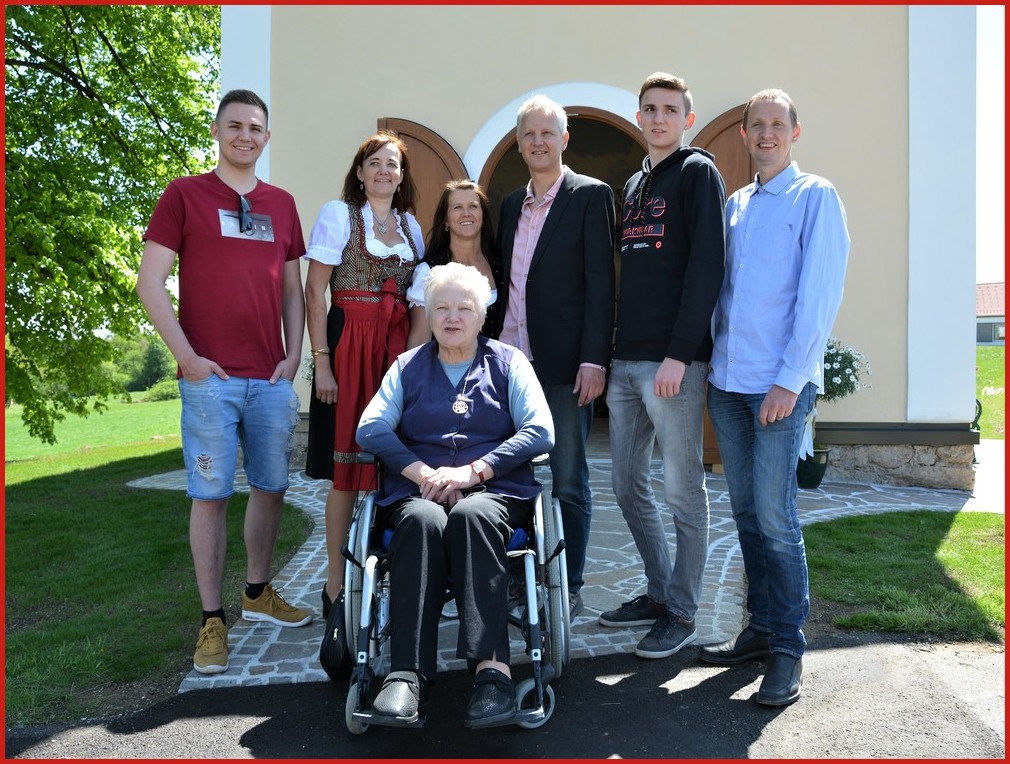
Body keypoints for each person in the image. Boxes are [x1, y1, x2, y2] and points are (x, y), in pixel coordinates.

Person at [137, 89, 312, 676]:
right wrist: (186, 358)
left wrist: (294, 355)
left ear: (267, 137)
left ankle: (257, 593)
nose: (245, 135)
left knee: (271, 485)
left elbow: (292, 291)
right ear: (216, 131)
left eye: (255, 128)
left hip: (269, 377)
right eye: (234, 125)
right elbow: (150, 283)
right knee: (210, 496)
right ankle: (212, 620)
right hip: (209, 378)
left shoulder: (281, 204)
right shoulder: (184, 194)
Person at [356, 262, 555, 728]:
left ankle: (492, 673)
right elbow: (370, 428)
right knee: (421, 521)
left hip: (493, 492)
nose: (452, 317)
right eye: (441, 308)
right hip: (419, 492)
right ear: (427, 314)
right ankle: (406, 674)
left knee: (472, 515)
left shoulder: (509, 362)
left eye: (464, 308)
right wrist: (420, 470)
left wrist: (474, 471)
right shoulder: (406, 367)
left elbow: (541, 430)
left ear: (482, 314)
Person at [702, 89, 850, 706]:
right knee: (745, 513)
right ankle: (760, 628)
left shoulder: (815, 196)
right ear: (743, 135)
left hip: (777, 386)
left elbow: (818, 296)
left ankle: (788, 647)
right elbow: (724, 292)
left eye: (777, 124)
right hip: (728, 384)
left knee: (776, 516)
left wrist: (789, 380)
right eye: (756, 125)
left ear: (795, 132)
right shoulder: (735, 204)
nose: (766, 133)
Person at [597, 73, 726, 659]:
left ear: (686, 119)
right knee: (626, 485)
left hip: (673, 363)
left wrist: (680, 352)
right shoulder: (633, 184)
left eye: (670, 110)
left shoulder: (697, 173)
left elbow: (707, 267)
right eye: (649, 109)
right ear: (639, 116)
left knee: (682, 491)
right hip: (627, 359)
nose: (658, 118)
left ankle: (683, 610)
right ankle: (657, 591)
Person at [302, 130, 425, 669]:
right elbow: (315, 292)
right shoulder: (339, 216)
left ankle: (387, 574)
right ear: (359, 172)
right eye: (374, 163)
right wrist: (322, 361)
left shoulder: (411, 227)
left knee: (391, 465)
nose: (383, 171)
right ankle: (335, 585)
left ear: (401, 175)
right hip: (349, 344)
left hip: (394, 349)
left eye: (392, 164)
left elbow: (418, 296)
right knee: (347, 472)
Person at [494, 94, 616, 618]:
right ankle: (515, 579)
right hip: (508, 365)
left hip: (567, 365)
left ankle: (569, 584)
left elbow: (601, 284)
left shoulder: (590, 196)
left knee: (569, 478)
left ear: (564, 139)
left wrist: (594, 359)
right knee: (507, 478)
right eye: (529, 134)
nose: (538, 142)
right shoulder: (508, 206)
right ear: (519, 143)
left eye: (547, 133)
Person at [406, 179, 502, 345]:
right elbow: (420, 339)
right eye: (457, 207)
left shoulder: (501, 266)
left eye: (473, 206)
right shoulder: (428, 271)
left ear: (483, 216)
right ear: (446, 219)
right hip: (444, 361)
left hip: (495, 361)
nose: (466, 213)